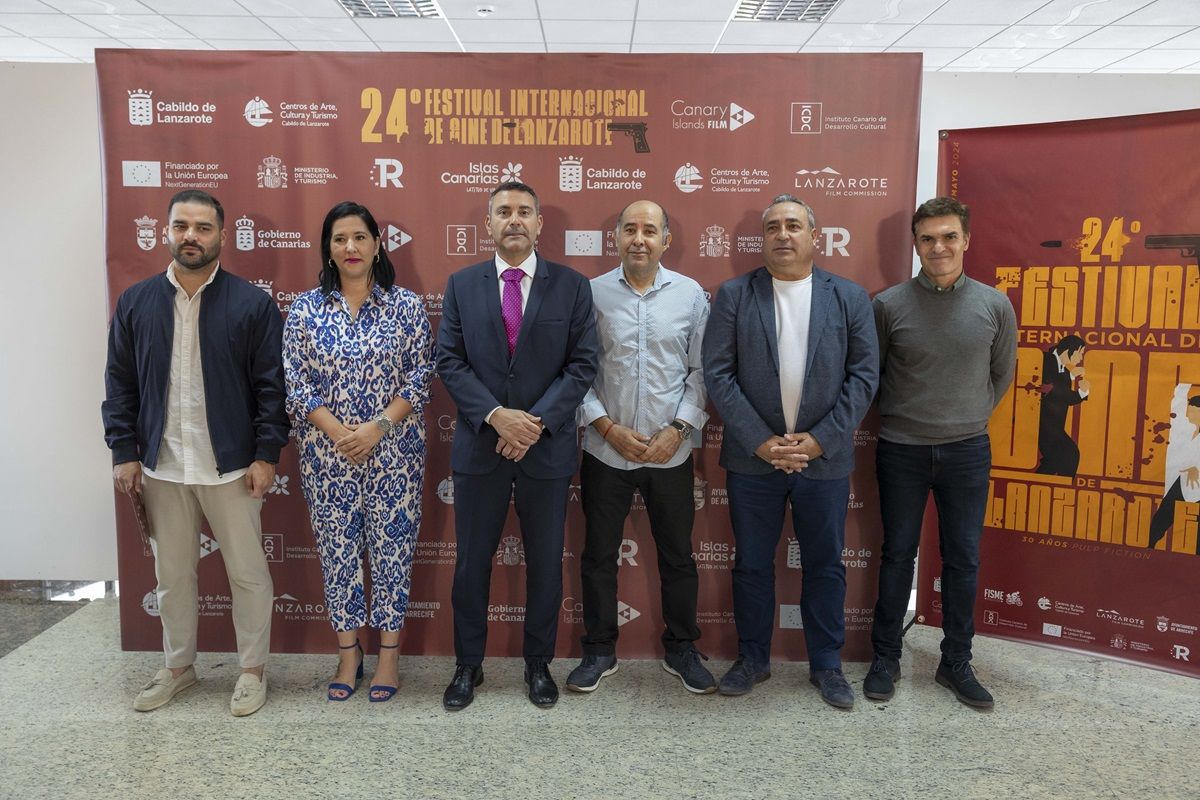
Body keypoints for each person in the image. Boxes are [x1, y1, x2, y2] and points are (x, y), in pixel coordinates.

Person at [103, 189, 288, 716]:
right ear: (167, 231)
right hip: (162, 465)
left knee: (248, 573)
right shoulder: (136, 302)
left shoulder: (251, 304)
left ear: (221, 236)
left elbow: (272, 389)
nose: (191, 236)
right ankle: (179, 666)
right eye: (181, 225)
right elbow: (119, 383)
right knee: (172, 576)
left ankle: (252, 670)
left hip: (229, 466)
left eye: (203, 227)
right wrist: (124, 449)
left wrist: (266, 455)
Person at [702, 194, 877, 709]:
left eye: (794, 225)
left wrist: (819, 440)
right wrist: (763, 441)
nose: (783, 234)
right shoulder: (735, 295)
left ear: (813, 236)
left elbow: (864, 377)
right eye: (774, 226)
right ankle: (752, 659)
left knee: (825, 564)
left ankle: (826, 665)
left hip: (823, 460)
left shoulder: (849, 296)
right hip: (753, 459)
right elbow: (718, 373)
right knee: (752, 563)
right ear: (764, 237)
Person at [435, 181, 598, 710]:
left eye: (524, 212)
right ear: (487, 224)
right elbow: (450, 362)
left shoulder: (572, 286)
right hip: (480, 446)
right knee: (471, 564)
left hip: (544, 450)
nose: (514, 220)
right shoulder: (462, 284)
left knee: (546, 563)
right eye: (503, 212)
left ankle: (538, 665)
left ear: (539, 223)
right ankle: (468, 666)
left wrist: (535, 423)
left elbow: (582, 365)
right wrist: (496, 417)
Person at [866, 196, 1016, 709]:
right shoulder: (888, 304)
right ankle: (885, 657)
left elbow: (1001, 376)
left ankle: (955, 663)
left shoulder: (995, 305)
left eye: (949, 236)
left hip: (968, 451)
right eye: (928, 238)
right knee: (896, 555)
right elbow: (875, 376)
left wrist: (966, 416)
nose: (939, 247)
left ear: (966, 240)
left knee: (963, 560)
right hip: (901, 450)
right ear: (916, 244)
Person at [283, 201, 434, 702]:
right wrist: (336, 432)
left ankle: (389, 654)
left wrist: (375, 429)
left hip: (394, 454)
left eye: (360, 238)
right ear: (327, 248)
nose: (350, 247)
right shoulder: (305, 309)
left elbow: (419, 377)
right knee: (338, 554)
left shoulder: (405, 306)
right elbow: (296, 384)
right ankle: (349, 652)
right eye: (339, 238)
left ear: (376, 244)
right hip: (327, 459)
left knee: (393, 553)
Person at [566, 199, 714, 695]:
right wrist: (605, 427)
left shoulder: (691, 295)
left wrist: (679, 429)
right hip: (605, 450)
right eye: (629, 228)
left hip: (670, 451)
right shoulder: (591, 294)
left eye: (649, 230)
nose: (638, 239)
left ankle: (682, 648)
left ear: (666, 241)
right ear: (616, 238)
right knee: (598, 556)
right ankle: (600, 650)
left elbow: (701, 373)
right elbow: (578, 372)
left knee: (678, 557)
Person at [1148, 384, 1200, 551]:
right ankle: (1148, 548)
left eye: (1192, 410)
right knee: (1162, 517)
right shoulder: (1184, 428)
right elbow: (1177, 407)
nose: (1188, 413)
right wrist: (1184, 386)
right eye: (1188, 409)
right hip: (1182, 482)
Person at [1036, 335, 1088, 477]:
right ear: (1068, 351)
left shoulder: (1062, 367)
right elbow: (1051, 389)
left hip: (1054, 426)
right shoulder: (1045, 360)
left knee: (1052, 463)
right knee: (1070, 454)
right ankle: (1066, 488)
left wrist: (1073, 378)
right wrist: (1081, 393)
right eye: (1080, 353)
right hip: (1042, 426)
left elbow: (1062, 394)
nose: (1080, 358)